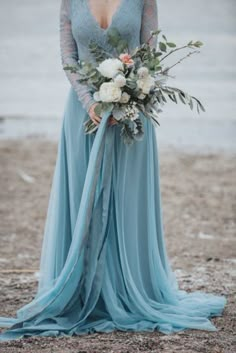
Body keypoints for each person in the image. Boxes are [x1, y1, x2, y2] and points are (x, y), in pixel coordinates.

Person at [0, 0, 226, 341]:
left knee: (128, 201)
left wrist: (130, 94)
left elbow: (151, 57)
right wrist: (90, 102)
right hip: (82, 114)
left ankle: (129, 288)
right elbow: (69, 60)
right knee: (82, 198)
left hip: (131, 117)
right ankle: (80, 286)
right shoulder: (70, 2)